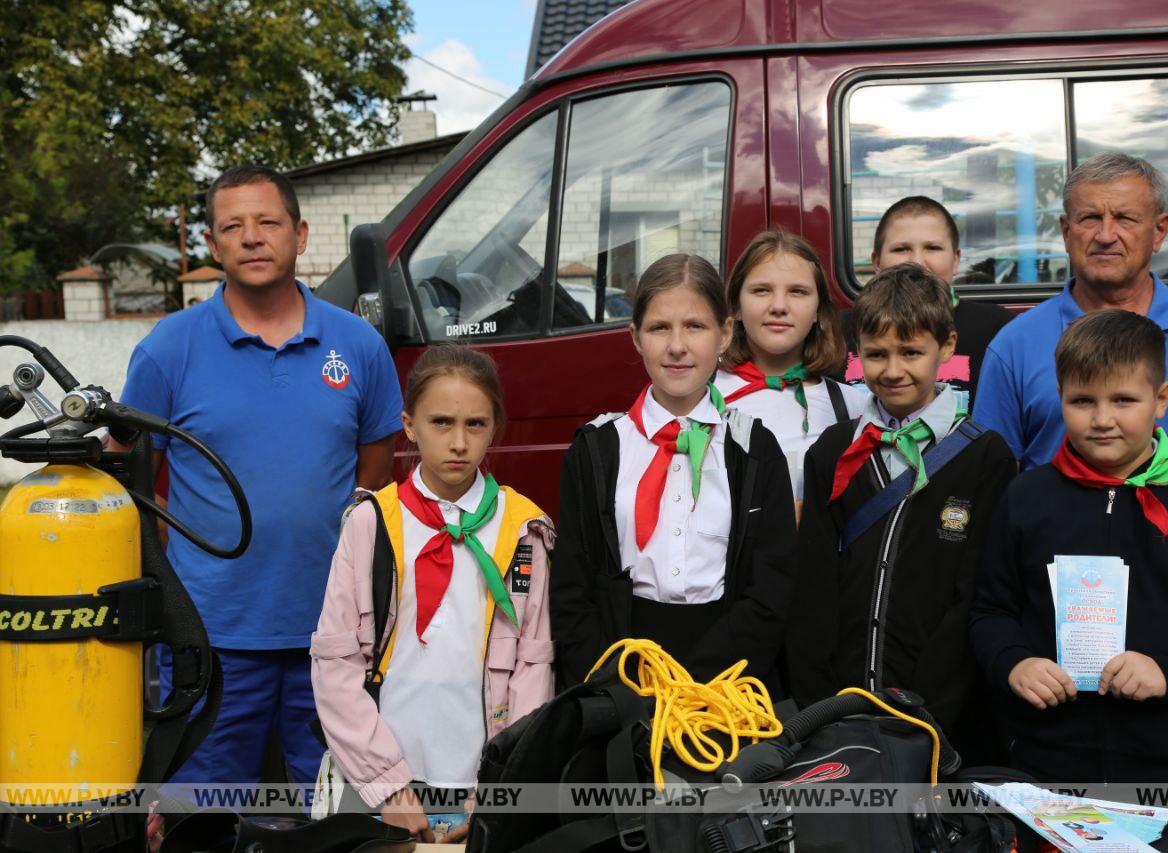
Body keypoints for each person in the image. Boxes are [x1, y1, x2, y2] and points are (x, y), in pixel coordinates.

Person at [114, 165, 404, 786]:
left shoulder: (357, 346)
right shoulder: (168, 349)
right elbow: (134, 484)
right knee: (205, 816)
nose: (251, 238)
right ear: (213, 246)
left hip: (332, 637)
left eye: (267, 222)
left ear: (300, 235)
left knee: (329, 814)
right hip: (209, 638)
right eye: (232, 227)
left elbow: (374, 476)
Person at [970, 309, 1168, 782]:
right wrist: (1014, 662)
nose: (1102, 419)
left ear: (1161, 400)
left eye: (1123, 400)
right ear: (1059, 397)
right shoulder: (1026, 498)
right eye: (1081, 400)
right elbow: (990, 611)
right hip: (1045, 760)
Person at [312, 344, 554, 842]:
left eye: (476, 425)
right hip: (381, 778)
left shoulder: (523, 529)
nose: (459, 442)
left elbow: (533, 668)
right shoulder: (371, 523)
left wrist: (495, 789)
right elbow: (335, 664)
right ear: (408, 425)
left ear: (495, 428)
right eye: (441, 422)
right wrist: (389, 787)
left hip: (476, 782)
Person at [974, 153, 1168, 539]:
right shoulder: (1014, 344)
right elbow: (989, 492)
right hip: (1052, 583)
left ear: (1159, 231)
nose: (1105, 235)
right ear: (1066, 231)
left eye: (1125, 218)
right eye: (1089, 218)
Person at [788, 263, 1016, 758]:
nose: (893, 370)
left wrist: (930, 712)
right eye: (877, 354)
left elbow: (973, 595)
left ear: (947, 347)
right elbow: (813, 588)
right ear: (857, 354)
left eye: (911, 352)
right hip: (837, 713)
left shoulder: (984, 457)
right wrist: (818, 703)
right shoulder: (831, 452)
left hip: (939, 718)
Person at [551, 253, 796, 689]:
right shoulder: (596, 451)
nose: (677, 346)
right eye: (659, 327)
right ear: (635, 337)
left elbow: (771, 591)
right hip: (621, 678)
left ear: (725, 333)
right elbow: (573, 591)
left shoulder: (755, 450)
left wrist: (698, 688)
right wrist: (619, 687)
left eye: (695, 326)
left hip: (728, 682)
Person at [715, 230, 867, 506]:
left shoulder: (852, 406)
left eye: (797, 292)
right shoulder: (702, 397)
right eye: (761, 290)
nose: (779, 306)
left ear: (819, 311)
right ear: (736, 306)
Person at [842, 196, 1013, 405]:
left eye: (933, 248)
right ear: (877, 261)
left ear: (956, 259)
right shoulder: (837, 330)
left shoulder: (999, 330)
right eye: (901, 249)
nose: (917, 262)